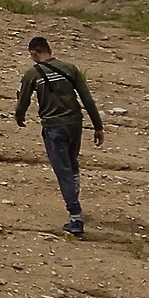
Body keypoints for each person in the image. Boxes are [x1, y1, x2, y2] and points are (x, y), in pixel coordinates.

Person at [16, 36, 105, 237]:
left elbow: (23, 101)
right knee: (72, 165)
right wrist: (98, 126)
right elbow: (86, 98)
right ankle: (74, 198)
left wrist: (19, 117)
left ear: (35, 52)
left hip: (54, 127)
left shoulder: (32, 74)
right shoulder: (69, 68)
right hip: (75, 124)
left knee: (62, 169)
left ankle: (75, 217)